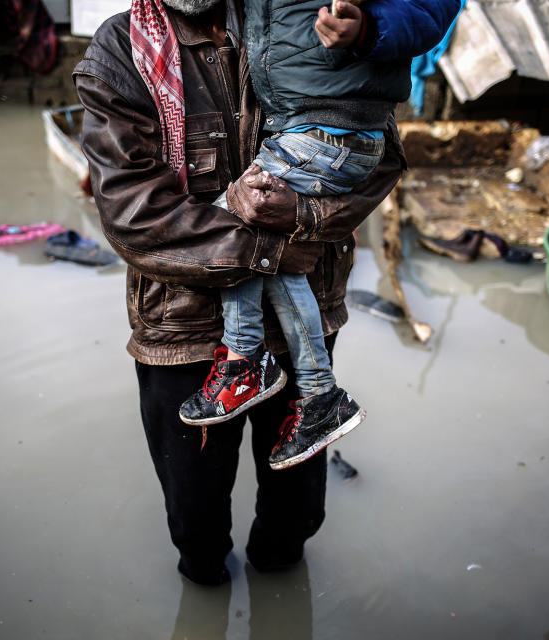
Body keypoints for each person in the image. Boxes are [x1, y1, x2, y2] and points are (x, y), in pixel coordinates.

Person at [73, 0, 438, 586]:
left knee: (293, 520)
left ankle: (280, 583)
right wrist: (268, 250)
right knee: (195, 523)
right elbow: (133, 214)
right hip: (186, 327)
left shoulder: (293, 17)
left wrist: (309, 212)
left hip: (302, 319)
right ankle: (205, 583)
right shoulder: (121, 50)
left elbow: (374, 153)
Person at [177, 0, 460, 472]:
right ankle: (318, 395)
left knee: (232, 219)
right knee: (268, 243)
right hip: (300, 128)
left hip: (332, 130)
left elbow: (434, 6)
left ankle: (248, 361)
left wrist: (369, 27)